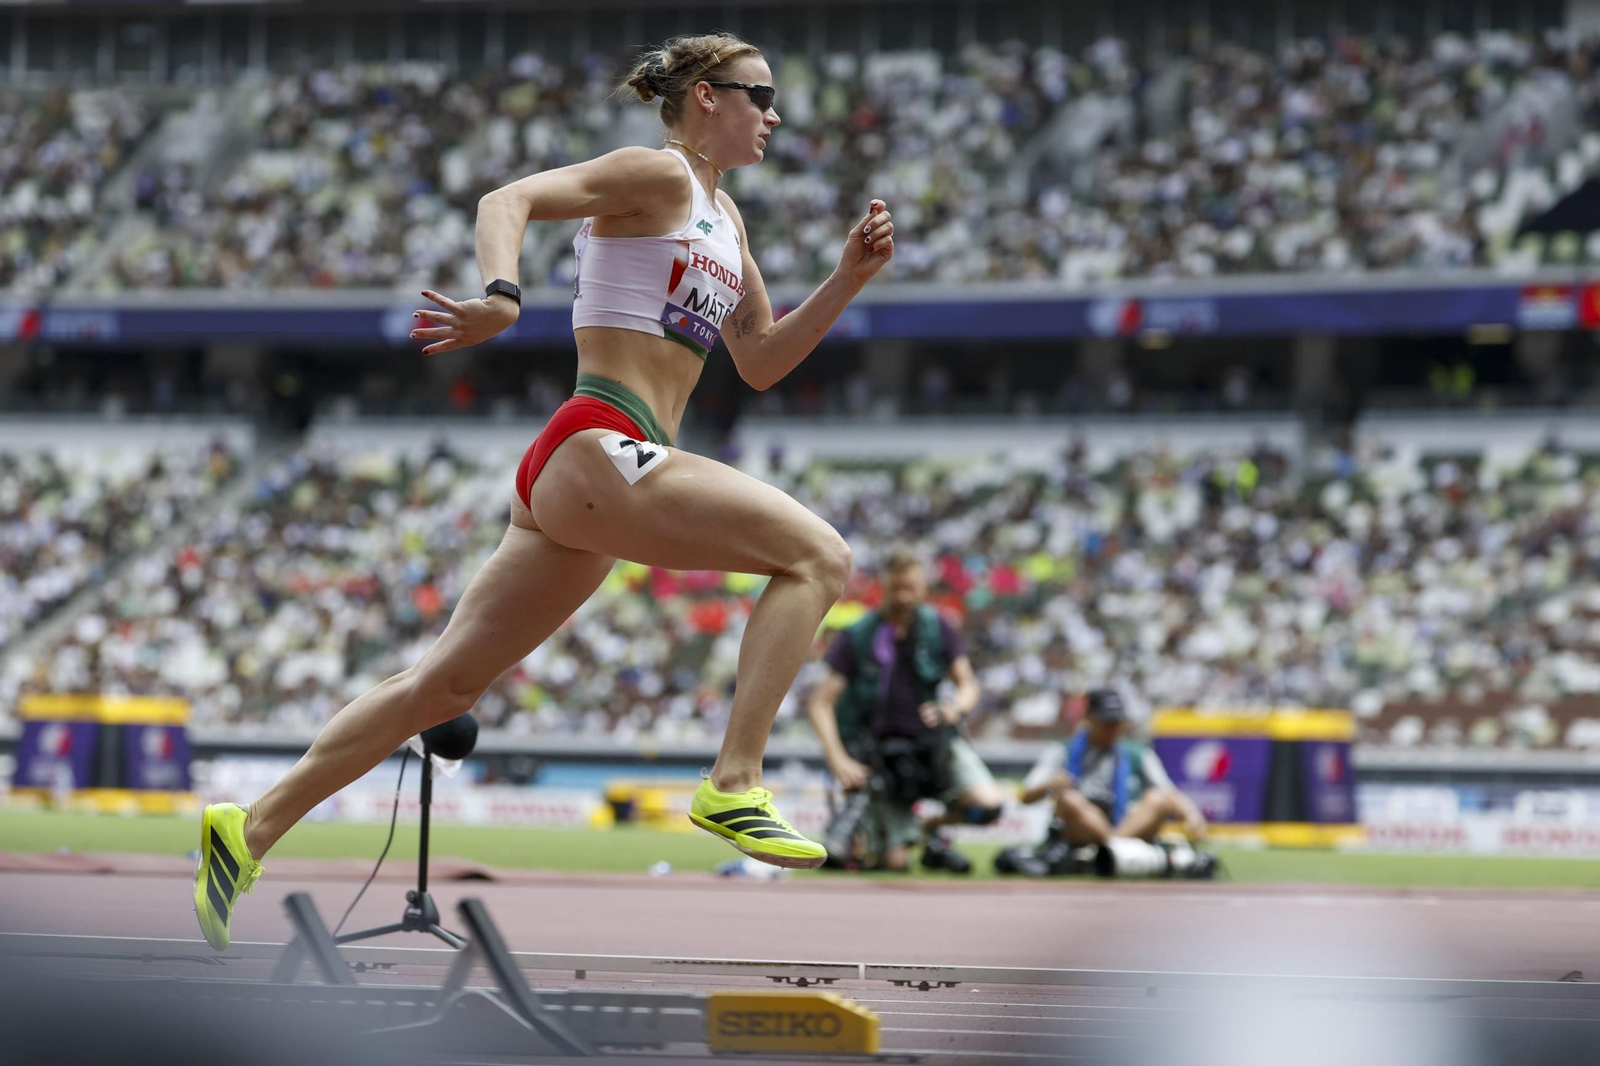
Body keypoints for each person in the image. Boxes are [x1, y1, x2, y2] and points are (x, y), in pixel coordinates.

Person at [193, 31, 898, 950]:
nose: (773, 115)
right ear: (703, 97)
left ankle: (244, 831)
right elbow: (509, 197)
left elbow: (760, 362)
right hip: (600, 440)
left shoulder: (727, 222)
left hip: (589, 477)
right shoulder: (656, 173)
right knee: (819, 556)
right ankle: (734, 783)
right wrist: (500, 295)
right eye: (758, 95)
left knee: (442, 686)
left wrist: (846, 281)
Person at [805, 550, 1006, 873]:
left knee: (988, 805)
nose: (903, 596)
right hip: (882, 759)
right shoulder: (858, 636)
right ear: (882, 586)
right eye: (896, 588)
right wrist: (838, 758)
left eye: (911, 588)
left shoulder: (939, 627)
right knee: (894, 863)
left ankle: (929, 828)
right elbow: (820, 701)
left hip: (935, 744)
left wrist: (954, 707)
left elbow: (968, 686)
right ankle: (897, 838)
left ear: (924, 587)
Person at [1014, 688, 1208, 874]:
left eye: (1117, 722)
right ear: (1089, 718)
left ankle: (1112, 848)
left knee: (1157, 799)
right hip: (1082, 828)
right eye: (1106, 722)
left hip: (1130, 823)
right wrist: (1049, 785)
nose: (1112, 729)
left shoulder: (1138, 753)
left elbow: (1168, 792)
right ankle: (1115, 848)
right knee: (1069, 799)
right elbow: (1026, 795)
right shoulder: (1062, 751)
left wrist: (1192, 815)